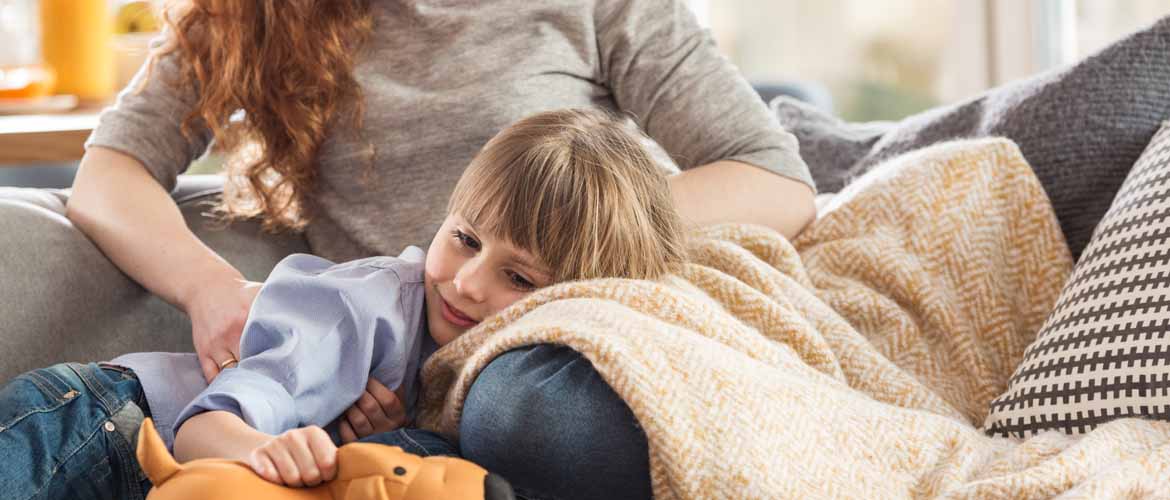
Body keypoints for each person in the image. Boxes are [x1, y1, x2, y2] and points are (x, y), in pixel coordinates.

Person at [57, 1, 816, 498]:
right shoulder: (255, 12)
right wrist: (210, 289)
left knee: (540, 412)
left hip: (548, 337)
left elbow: (775, 177)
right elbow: (108, 172)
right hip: (395, 372)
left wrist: (574, 242)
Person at [0, 108, 688, 498]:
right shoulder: (369, 306)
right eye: (466, 239)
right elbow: (204, 431)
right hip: (103, 422)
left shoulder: (516, 374)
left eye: (521, 279)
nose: (470, 283)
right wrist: (275, 450)